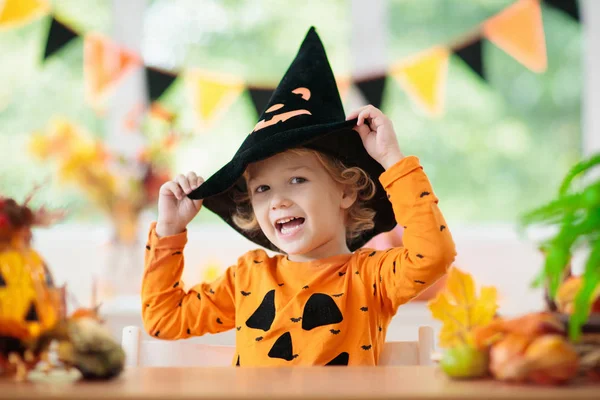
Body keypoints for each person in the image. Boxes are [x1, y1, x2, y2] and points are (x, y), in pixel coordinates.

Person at [141, 27, 456, 366]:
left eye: (296, 179)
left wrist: (392, 159)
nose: (277, 200)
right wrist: (168, 232)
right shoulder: (247, 279)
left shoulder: (371, 277)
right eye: (262, 189)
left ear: (346, 190)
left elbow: (433, 256)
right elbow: (163, 320)